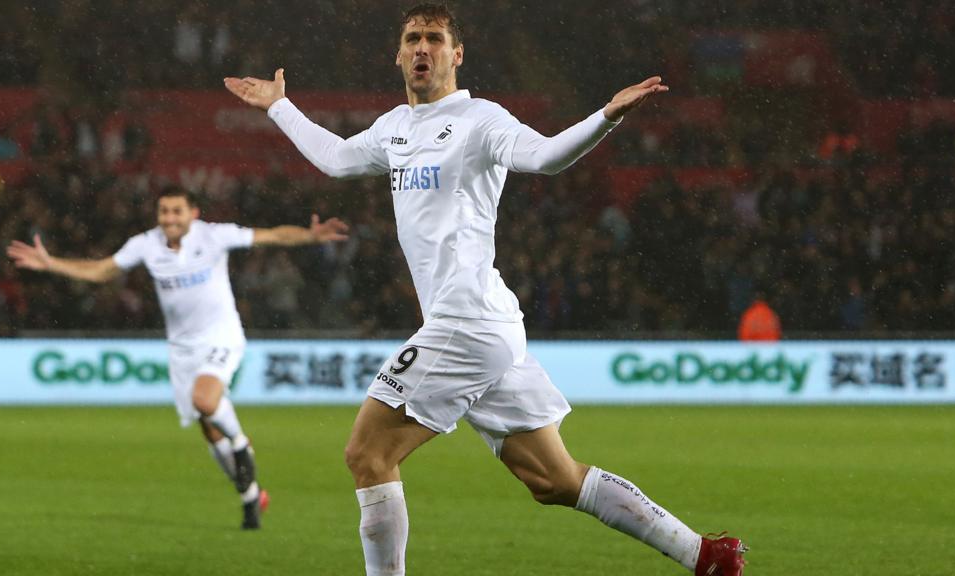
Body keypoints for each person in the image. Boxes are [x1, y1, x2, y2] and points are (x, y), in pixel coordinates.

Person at [224, 3, 746, 573]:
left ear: (457, 54)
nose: (423, 48)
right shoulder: (395, 128)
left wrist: (606, 116)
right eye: (413, 38)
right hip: (483, 325)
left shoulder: (481, 120)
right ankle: (704, 555)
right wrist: (280, 107)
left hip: (465, 321)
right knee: (554, 480)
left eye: (435, 39)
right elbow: (337, 160)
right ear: (398, 54)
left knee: (368, 454)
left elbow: (544, 157)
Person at [7, 186, 350, 530]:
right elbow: (101, 271)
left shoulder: (215, 236)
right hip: (182, 350)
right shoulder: (145, 244)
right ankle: (251, 496)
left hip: (222, 337)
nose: (169, 218)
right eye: (164, 212)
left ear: (193, 213)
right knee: (209, 430)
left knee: (206, 401)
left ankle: (242, 443)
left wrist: (309, 235)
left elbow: (271, 236)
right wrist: (51, 263)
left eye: (177, 211)